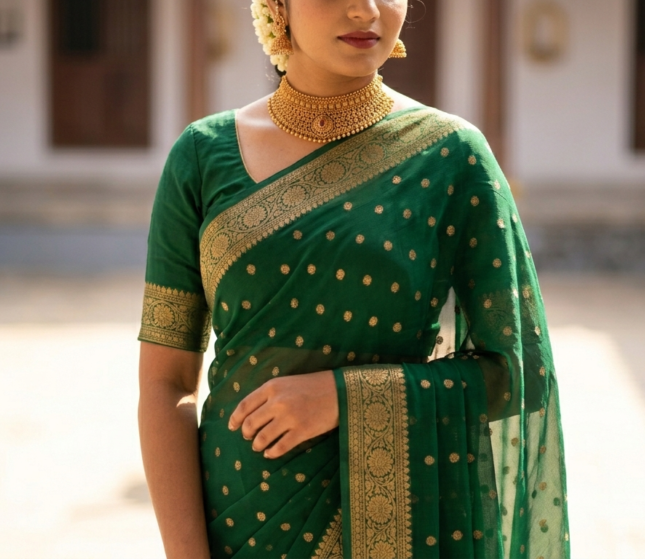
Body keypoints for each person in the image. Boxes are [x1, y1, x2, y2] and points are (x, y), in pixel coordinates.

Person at [137, 1, 571, 557]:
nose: (365, 9)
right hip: (237, 522)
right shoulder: (201, 158)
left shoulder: (451, 157)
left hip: (400, 528)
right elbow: (165, 384)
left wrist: (345, 397)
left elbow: (522, 374)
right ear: (278, 7)